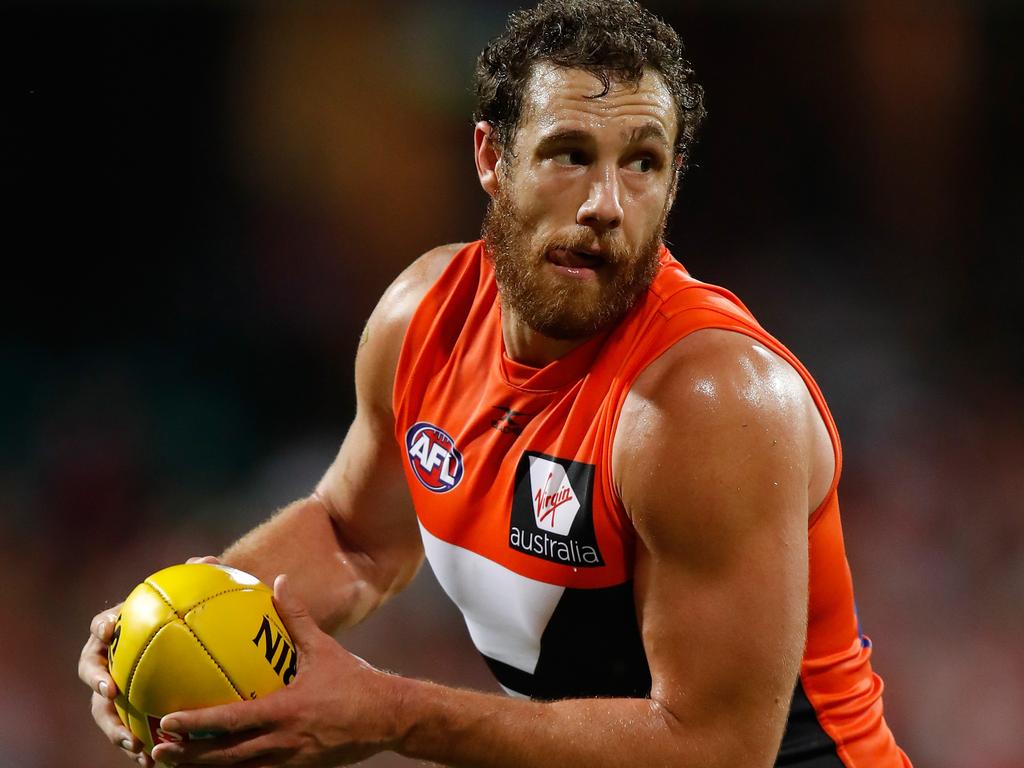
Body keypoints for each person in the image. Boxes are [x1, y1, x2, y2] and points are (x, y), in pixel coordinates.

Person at [79, 1, 913, 765]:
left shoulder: (706, 402)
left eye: (644, 163)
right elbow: (354, 534)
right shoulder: (422, 316)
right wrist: (171, 621)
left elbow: (716, 749)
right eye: (569, 154)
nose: (606, 204)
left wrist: (391, 714)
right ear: (492, 156)